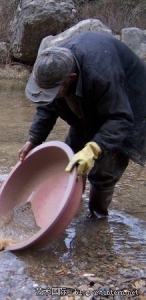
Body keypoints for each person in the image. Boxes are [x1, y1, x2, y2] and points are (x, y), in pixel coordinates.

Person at [19, 32, 146, 217]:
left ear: (70, 78)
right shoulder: (53, 68)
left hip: (129, 106)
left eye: (54, 91)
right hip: (90, 101)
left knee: (104, 171)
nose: (49, 95)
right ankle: (67, 209)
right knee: (70, 159)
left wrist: (94, 148)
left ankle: (97, 217)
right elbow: (46, 107)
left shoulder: (100, 74)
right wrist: (34, 140)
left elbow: (120, 118)